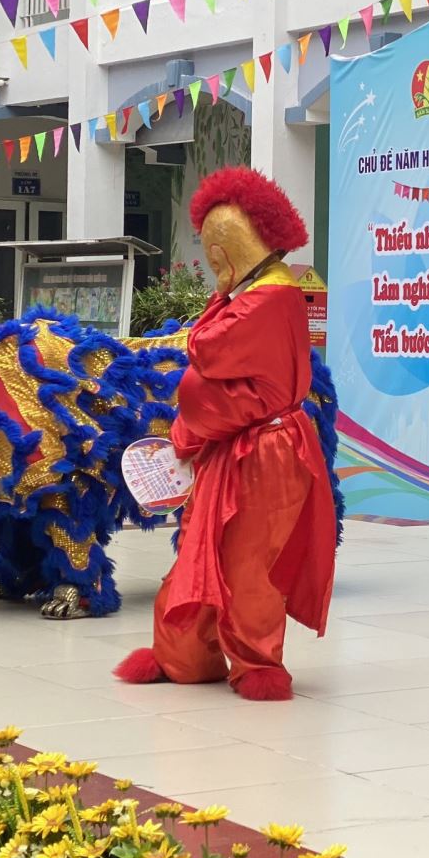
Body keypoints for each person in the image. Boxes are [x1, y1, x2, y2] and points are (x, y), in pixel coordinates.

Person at [115, 167, 337, 701]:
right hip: (237, 447)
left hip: (266, 453)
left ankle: (259, 663)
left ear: (226, 252)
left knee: (248, 563)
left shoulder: (268, 298)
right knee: (202, 549)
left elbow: (206, 347)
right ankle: (185, 655)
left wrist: (217, 301)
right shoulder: (260, 288)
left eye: (212, 254)